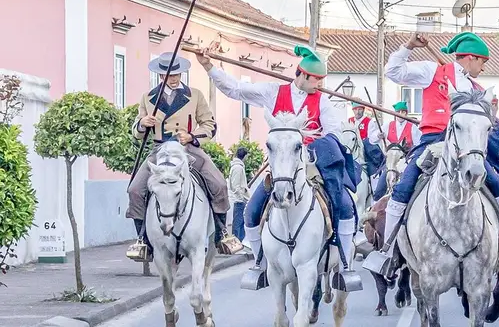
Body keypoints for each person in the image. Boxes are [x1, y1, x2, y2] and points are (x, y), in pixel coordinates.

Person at [362, 31, 499, 278]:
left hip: (467, 147)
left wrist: (494, 118)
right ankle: (388, 250)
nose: (483, 67)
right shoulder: (431, 71)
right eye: (482, 61)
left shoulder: (477, 89)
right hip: (434, 141)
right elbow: (394, 72)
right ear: (470, 58)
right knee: (403, 186)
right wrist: (408, 46)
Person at [194, 41, 361, 285]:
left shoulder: (322, 102)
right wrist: (209, 67)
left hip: (311, 166)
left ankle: (345, 264)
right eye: (317, 79)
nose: (320, 85)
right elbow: (236, 90)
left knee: (345, 205)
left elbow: (334, 130)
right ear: (303, 75)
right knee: (251, 211)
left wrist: (305, 141)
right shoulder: (273, 92)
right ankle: (259, 263)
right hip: (280, 168)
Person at [125, 52, 243, 262]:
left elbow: (210, 125)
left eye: (177, 73)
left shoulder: (194, 95)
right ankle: (143, 240)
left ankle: (222, 232)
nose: (174, 77)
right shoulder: (148, 97)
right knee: (135, 189)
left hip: (188, 149)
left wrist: (192, 136)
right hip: (159, 150)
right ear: (161, 75)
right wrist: (143, 124)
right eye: (170, 73)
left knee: (218, 184)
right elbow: (136, 130)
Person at [369, 100, 422, 200]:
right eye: (398, 112)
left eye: (403, 112)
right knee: (380, 187)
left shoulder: (413, 128)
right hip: (390, 162)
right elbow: (372, 139)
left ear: (406, 113)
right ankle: (376, 204)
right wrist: (378, 135)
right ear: (395, 113)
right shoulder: (388, 125)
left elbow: (419, 143)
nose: (401, 114)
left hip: (406, 162)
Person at [350, 101, 385, 178]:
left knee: (373, 172)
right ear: (353, 110)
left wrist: (377, 136)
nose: (357, 112)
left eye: (360, 109)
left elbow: (371, 137)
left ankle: (374, 186)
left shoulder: (369, 121)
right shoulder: (349, 121)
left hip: (365, 150)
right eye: (355, 109)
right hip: (352, 150)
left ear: (363, 110)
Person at [229, 147, 250, 242]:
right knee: (238, 223)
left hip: (240, 199)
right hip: (239, 200)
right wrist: (241, 197)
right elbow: (235, 185)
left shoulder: (238, 166)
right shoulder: (238, 167)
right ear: (244, 156)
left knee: (240, 223)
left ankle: (239, 244)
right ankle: (236, 244)